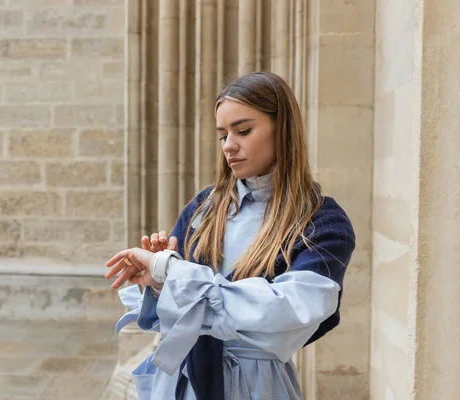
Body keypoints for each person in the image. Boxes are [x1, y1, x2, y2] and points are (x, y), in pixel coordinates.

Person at [105, 72, 356, 400]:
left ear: (283, 129)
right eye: (222, 135)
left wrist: (173, 272)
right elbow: (172, 317)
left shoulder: (322, 223)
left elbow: (292, 310)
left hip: (255, 387)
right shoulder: (204, 207)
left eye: (243, 130)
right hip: (181, 384)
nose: (228, 146)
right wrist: (158, 283)